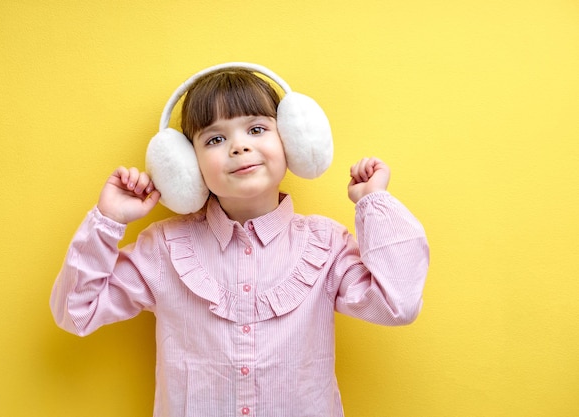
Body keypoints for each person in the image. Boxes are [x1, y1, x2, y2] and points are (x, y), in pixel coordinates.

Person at [50, 64, 429, 417]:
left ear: (293, 142)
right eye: (215, 138)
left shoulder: (326, 246)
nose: (238, 146)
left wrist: (373, 202)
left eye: (257, 129)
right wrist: (108, 221)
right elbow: (76, 311)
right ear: (186, 167)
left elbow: (397, 303)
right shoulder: (164, 249)